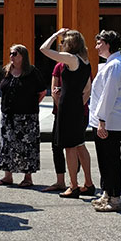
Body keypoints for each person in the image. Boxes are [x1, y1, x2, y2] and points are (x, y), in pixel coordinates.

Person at [39, 28, 95, 198]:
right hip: (78, 106)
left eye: (63, 42)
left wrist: (55, 34)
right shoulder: (86, 62)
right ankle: (88, 183)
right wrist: (79, 103)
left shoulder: (71, 59)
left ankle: (74, 186)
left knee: (69, 147)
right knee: (80, 145)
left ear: (70, 44)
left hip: (68, 108)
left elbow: (43, 49)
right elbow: (87, 89)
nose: (61, 44)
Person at [88, 30, 121, 212]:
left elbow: (109, 95)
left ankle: (114, 198)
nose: (96, 47)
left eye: (99, 43)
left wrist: (102, 120)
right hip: (108, 120)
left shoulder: (115, 65)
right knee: (105, 160)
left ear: (108, 44)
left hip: (110, 121)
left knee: (111, 160)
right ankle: (106, 193)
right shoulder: (114, 63)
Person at [0, 44, 47, 188]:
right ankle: (7, 176)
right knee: (6, 145)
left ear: (23, 56)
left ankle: (27, 177)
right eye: (10, 53)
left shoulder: (32, 72)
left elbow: (42, 91)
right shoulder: (6, 71)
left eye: (15, 53)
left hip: (27, 116)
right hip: (8, 115)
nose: (11, 56)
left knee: (27, 146)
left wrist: (31, 103)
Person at [43, 61, 68, 193]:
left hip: (77, 113)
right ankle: (60, 181)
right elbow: (53, 91)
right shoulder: (59, 66)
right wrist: (61, 108)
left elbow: (87, 89)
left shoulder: (82, 64)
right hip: (60, 112)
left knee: (76, 147)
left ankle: (77, 182)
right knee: (56, 146)